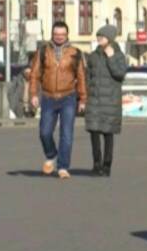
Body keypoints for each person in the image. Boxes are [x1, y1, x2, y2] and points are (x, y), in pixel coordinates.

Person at [29, 22, 87, 179]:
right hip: (48, 97)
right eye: (56, 34)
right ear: (52, 34)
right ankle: (51, 154)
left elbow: (81, 77)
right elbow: (34, 74)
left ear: (67, 35)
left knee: (66, 134)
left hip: (68, 97)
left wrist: (82, 99)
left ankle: (63, 167)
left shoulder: (75, 53)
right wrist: (33, 94)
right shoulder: (43, 51)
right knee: (45, 132)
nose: (59, 37)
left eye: (62, 34)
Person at [84, 25, 128, 177]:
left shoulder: (118, 55)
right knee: (94, 132)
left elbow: (120, 74)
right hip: (94, 100)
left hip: (110, 100)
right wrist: (87, 92)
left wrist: (111, 57)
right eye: (98, 36)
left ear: (109, 38)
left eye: (101, 36)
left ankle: (107, 165)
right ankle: (96, 164)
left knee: (108, 134)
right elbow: (88, 76)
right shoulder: (93, 56)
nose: (99, 39)